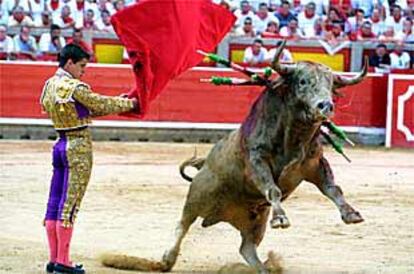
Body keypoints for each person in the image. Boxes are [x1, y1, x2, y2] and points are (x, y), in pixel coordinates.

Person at [40, 44, 138, 274]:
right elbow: (99, 104)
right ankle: (63, 261)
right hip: (78, 147)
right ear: (70, 63)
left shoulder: (50, 85)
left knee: (54, 203)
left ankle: (54, 259)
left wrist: (121, 100)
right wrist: (131, 103)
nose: (84, 71)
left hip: (60, 145)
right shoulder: (74, 87)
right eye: (82, 66)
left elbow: (87, 109)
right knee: (69, 205)